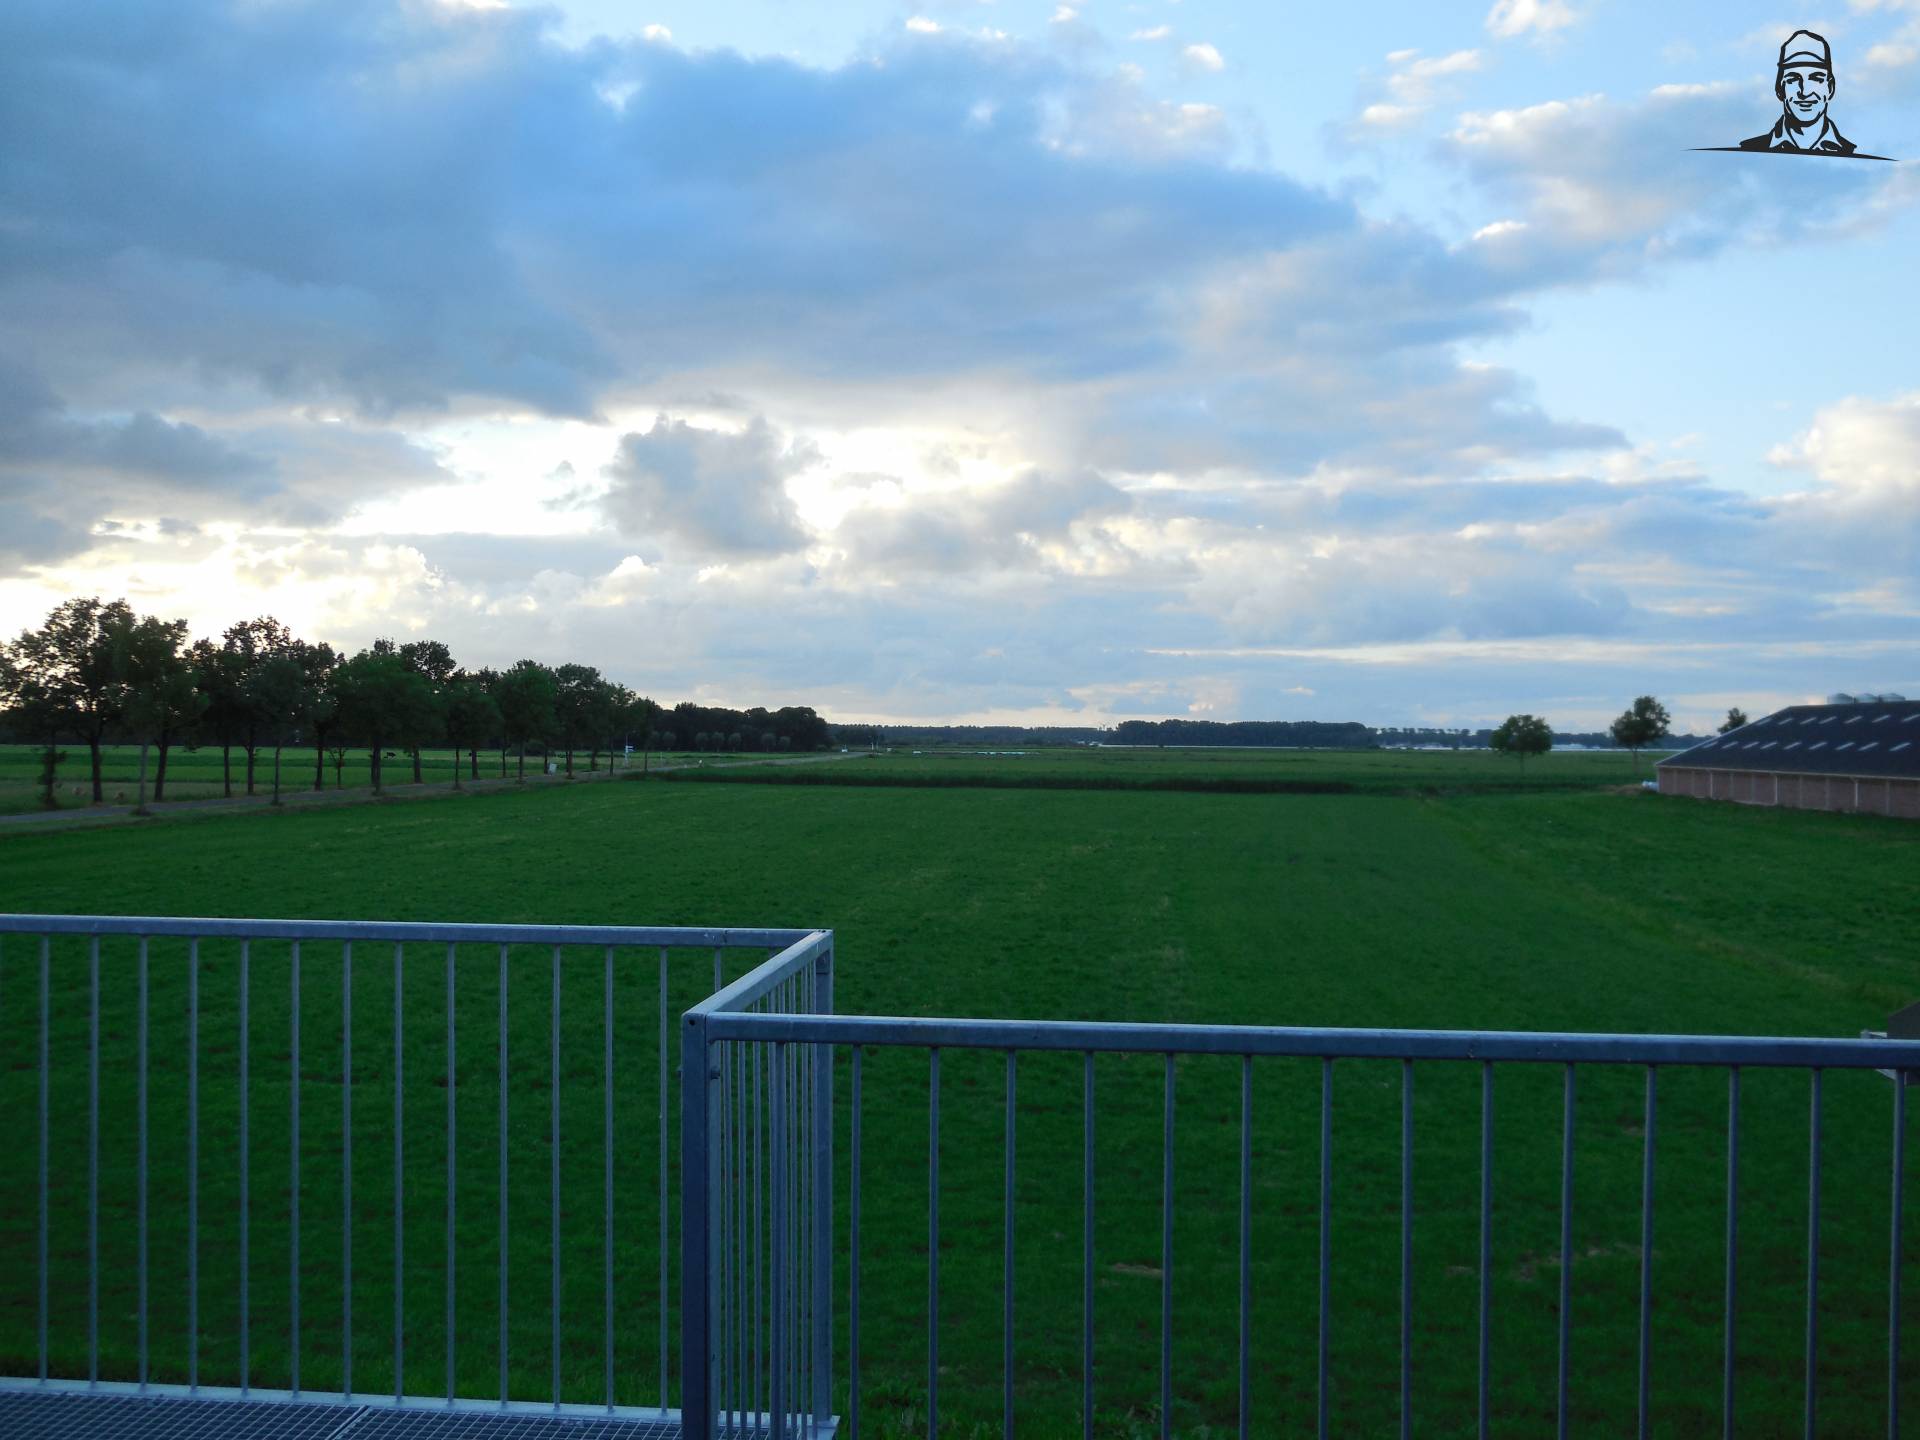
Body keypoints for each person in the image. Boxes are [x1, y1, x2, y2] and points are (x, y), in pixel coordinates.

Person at [1738, 30, 1855, 155]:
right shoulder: (1747, 152)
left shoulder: (1853, 155)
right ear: (1779, 89)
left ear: (1830, 88)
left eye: (1816, 79)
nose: (1804, 92)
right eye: (1793, 79)